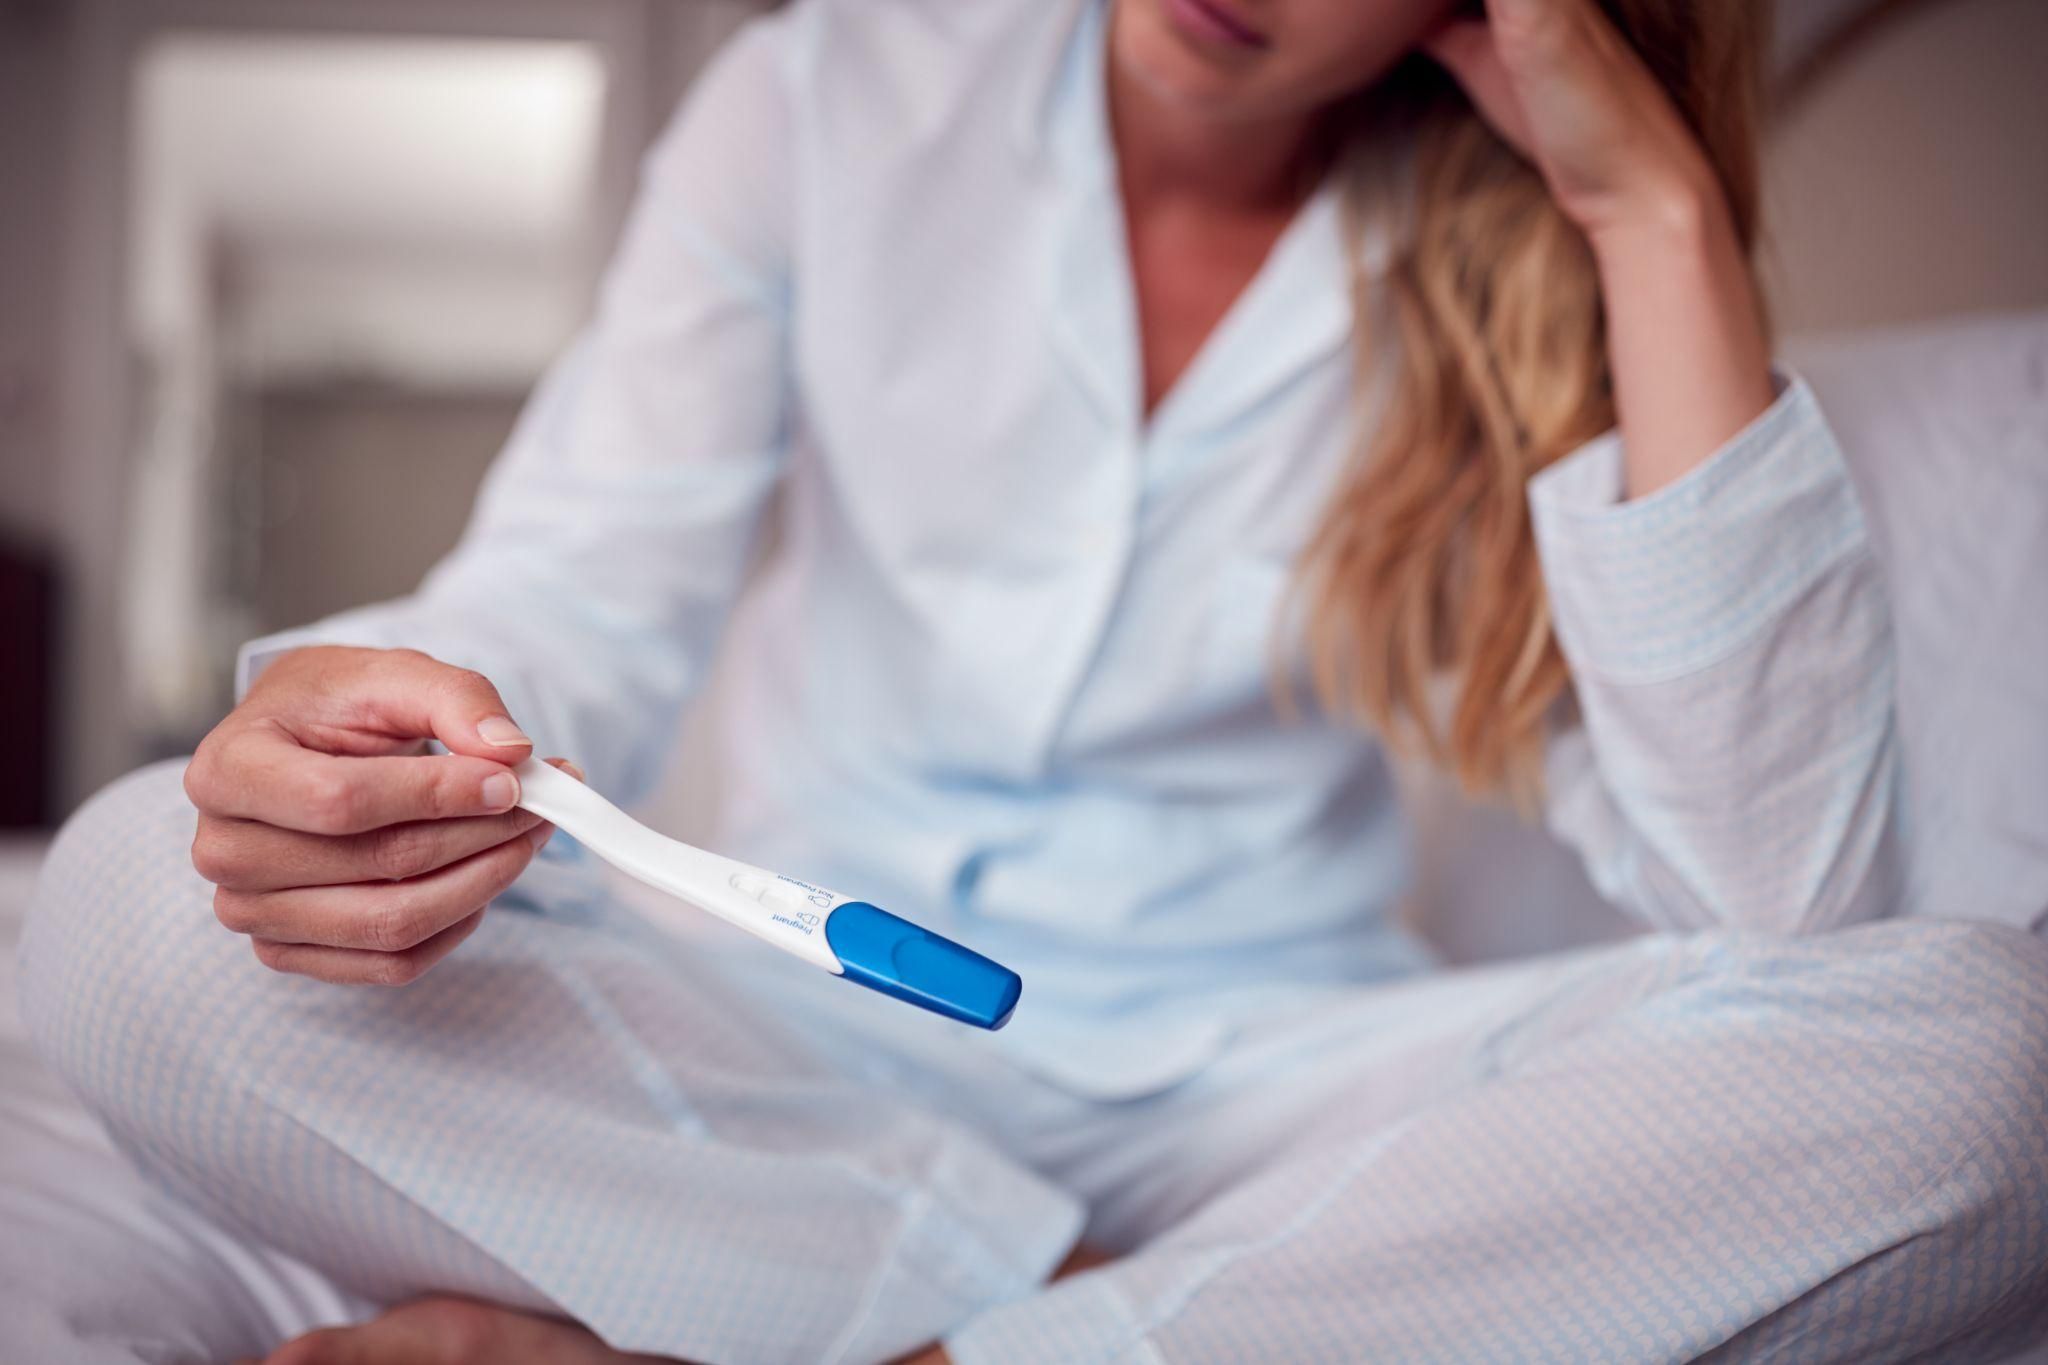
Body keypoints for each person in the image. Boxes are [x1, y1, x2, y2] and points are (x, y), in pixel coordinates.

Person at [23, 0, 2048, 1360]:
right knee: (134, 903)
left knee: (1986, 1045)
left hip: (1250, 1088)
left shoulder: (1511, 240)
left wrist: (1648, 210)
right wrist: (393, 742)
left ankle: (838, 1335)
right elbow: (582, 588)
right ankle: (1076, 1313)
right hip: (774, 1034)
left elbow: (1791, 915)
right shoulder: (828, 94)